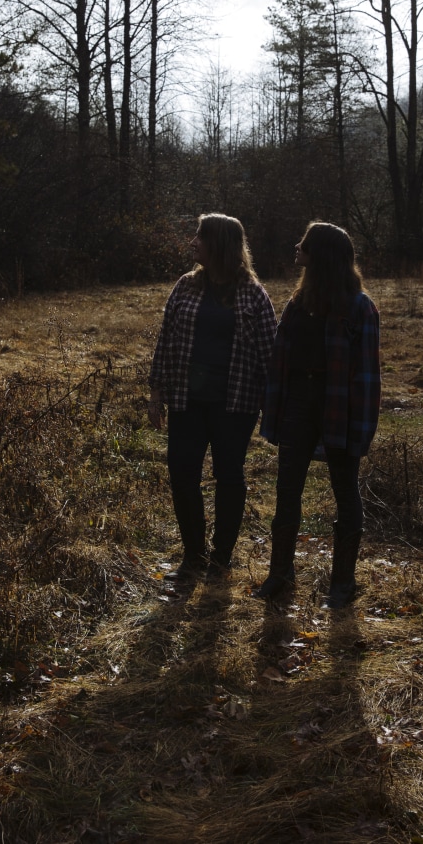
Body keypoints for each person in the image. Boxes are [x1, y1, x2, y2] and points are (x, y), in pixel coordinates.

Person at [255, 222, 381, 608]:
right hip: (299, 402)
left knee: (345, 491)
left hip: (338, 407)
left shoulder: (360, 308)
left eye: (304, 244)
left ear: (321, 255)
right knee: (286, 490)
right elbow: (280, 362)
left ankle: (342, 582)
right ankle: (280, 574)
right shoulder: (298, 303)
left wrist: (359, 432)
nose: (296, 247)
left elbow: (367, 377)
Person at [148, 214, 277, 582]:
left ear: (219, 244)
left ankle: (221, 561)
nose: (194, 242)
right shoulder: (186, 286)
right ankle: (193, 556)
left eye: (200, 237)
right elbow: (166, 338)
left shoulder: (253, 293)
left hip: (235, 403)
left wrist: (272, 407)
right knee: (181, 473)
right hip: (186, 400)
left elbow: (270, 354)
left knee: (229, 476)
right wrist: (156, 394)